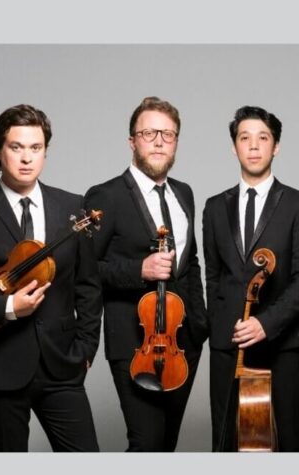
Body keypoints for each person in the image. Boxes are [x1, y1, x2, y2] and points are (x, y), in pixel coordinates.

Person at [0, 104, 101, 451]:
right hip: (1, 367)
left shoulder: (73, 208)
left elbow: (88, 287)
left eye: (36, 148)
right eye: (16, 147)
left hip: (62, 365)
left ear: (45, 153)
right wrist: (4, 307)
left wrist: (86, 349)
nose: (26, 158)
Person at [84, 96, 208, 451]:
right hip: (135, 343)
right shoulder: (105, 196)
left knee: (166, 444)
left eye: (167, 134)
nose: (158, 141)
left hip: (182, 343)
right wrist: (140, 269)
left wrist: (199, 326)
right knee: (147, 443)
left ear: (176, 143)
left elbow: (191, 261)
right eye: (149, 132)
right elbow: (86, 269)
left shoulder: (184, 193)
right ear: (132, 141)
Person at [203, 105, 299, 451]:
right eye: (244, 138)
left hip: (282, 345)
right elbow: (213, 276)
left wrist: (266, 323)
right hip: (228, 343)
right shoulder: (214, 206)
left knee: (287, 442)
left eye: (262, 138)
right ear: (234, 146)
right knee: (227, 442)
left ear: (275, 146)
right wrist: (221, 326)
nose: (253, 146)